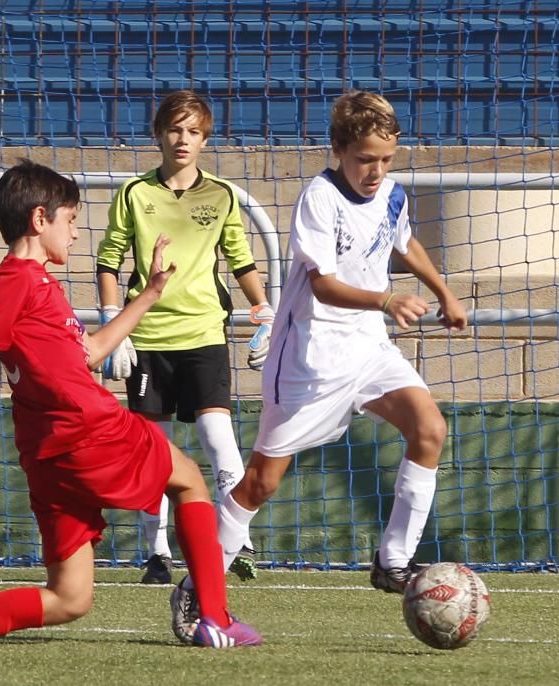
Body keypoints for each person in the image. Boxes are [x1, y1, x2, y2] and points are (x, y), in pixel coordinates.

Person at [0, 160, 262, 648]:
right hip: (88, 427)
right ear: (39, 219)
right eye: (70, 221)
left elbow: (88, 352)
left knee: (70, 598)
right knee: (191, 479)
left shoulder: (36, 283)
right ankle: (213, 616)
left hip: (49, 451)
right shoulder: (15, 281)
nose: (75, 233)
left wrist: (148, 296)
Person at [169, 90, 469, 641]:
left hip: (368, 348)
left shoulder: (392, 195)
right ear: (338, 150)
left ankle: (393, 561)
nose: (375, 171)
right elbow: (323, 285)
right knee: (260, 483)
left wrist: (443, 293)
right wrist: (385, 300)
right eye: (364, 160)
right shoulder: (319, 198)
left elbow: (405, 243)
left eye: (385, 159)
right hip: (309, 360)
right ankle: (197, 587)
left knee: (429, 428)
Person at [96, 90, 274, 584]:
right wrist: (115, 319)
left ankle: (238, 541)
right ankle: (156, 554)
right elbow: (109, 259)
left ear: (205, 139)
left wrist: (263, 309)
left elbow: (239, 257)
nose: (183, 139)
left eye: (193, 131)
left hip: (203, 335)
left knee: (218, 438)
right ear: (158, 135)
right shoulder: (134, 193)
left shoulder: (221, 195)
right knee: (153, 449)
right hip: (147, 338)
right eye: (175, 129)